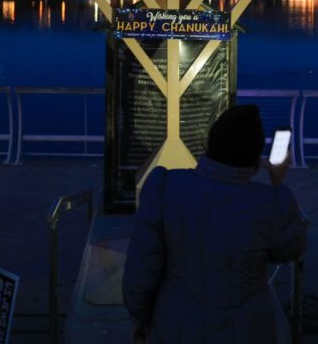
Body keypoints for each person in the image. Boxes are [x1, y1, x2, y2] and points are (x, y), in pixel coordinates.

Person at [123, 104, 307, 344]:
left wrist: (140, 320)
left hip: (177, 326)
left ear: (211, 142)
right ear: (255, 155)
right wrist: (277, 182)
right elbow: (291, 248)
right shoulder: (270, 201)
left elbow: (142, 269)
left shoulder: (166, 187)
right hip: (249, 329)